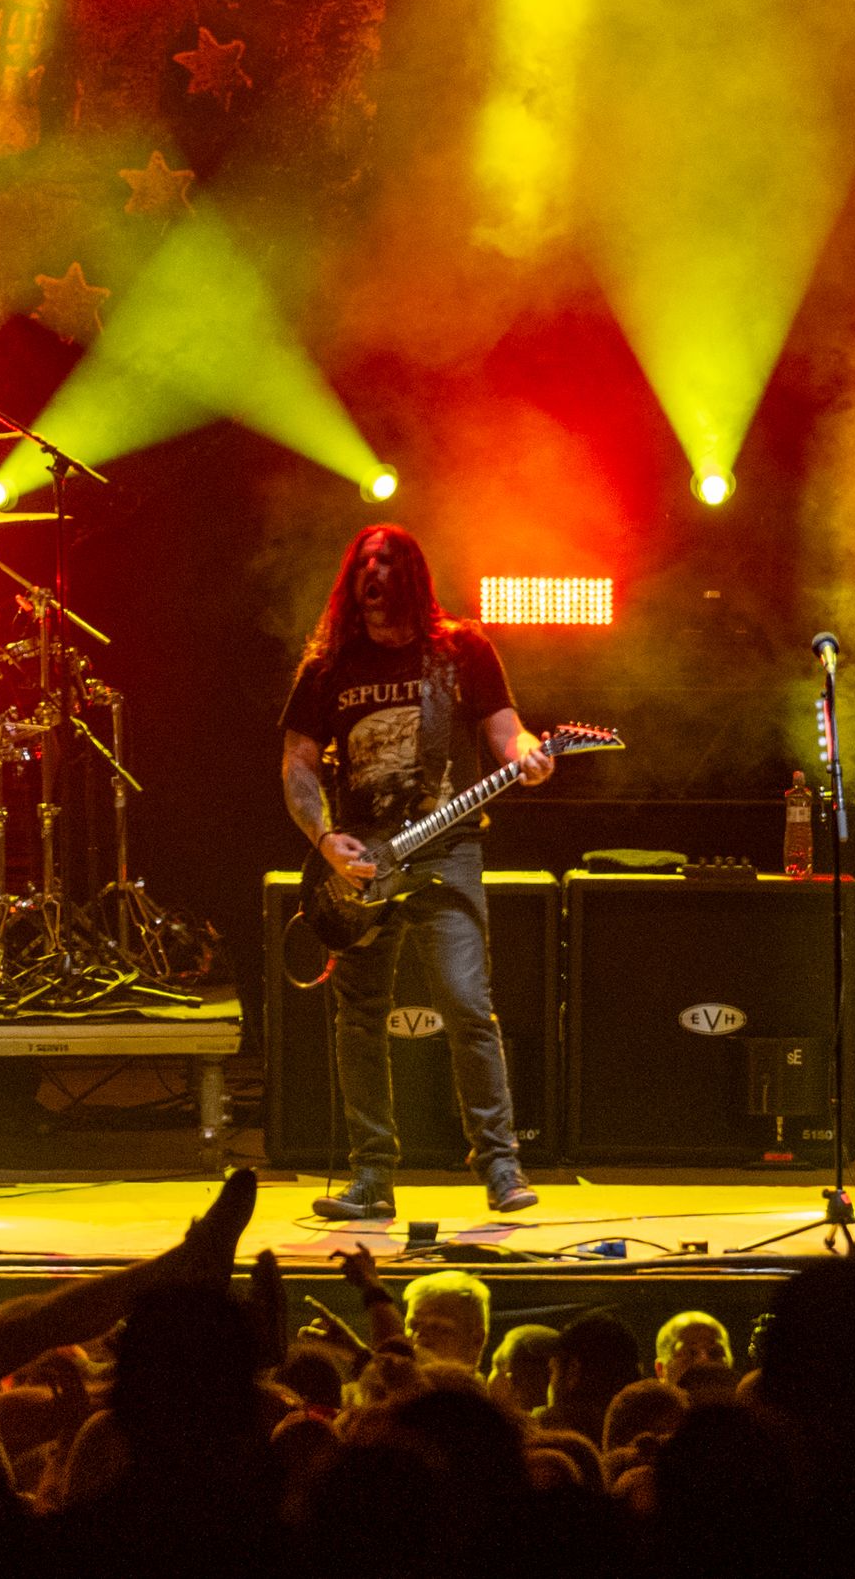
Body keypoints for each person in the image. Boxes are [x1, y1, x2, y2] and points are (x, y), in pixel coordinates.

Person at [276, 523, 551, 1222]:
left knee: (464, 1001)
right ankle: (372, 1174)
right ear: (351, 577)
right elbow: (299, 763)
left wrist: (529, 752)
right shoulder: (328, 665)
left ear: (412, 574)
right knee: (361, 1016)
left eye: (388, 560)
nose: (375, 570)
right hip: (364, 864)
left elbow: (504, 730)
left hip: (446, 849)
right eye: (364, 559)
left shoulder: (461, 650)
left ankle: (498, 1162)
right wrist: (326, 838)